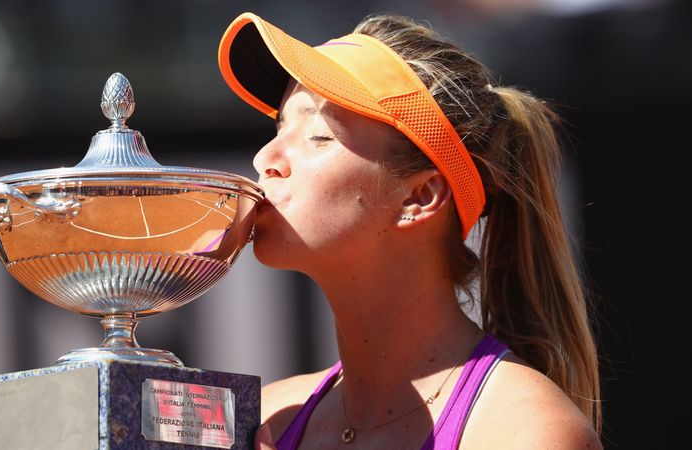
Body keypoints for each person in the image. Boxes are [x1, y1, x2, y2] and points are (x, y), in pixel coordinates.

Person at [217, 12, 602, 450]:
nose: (265, 157)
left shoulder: (526, 431)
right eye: (280, 127)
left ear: (419, 197)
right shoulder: (264, 417)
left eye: (319, 135)